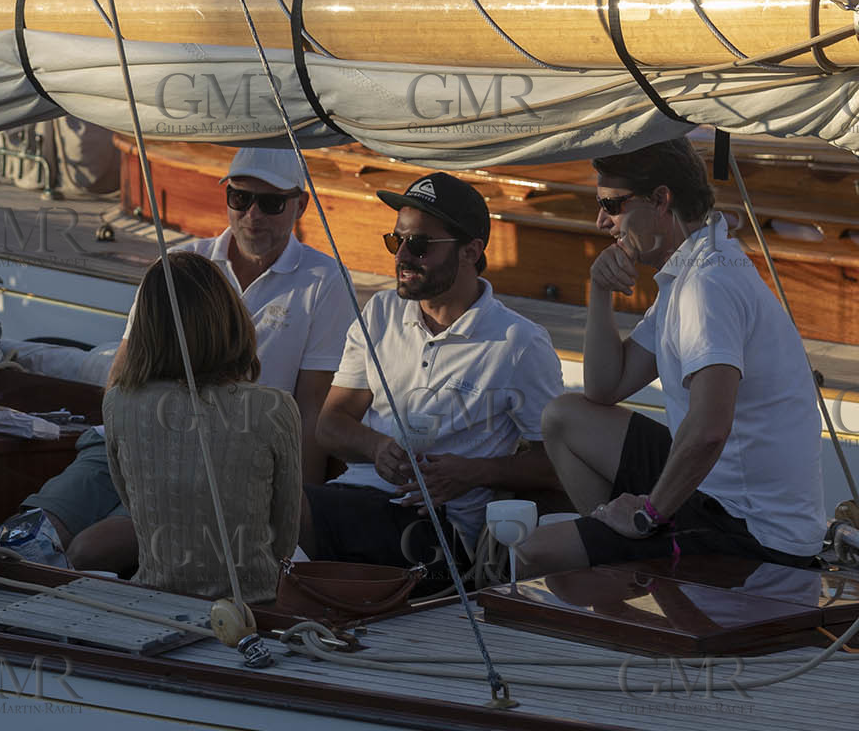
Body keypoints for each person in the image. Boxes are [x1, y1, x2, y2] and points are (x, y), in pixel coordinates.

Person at [15, 147, 356, 572]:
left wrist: (300, 517)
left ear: (300, 204)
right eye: (240, 198)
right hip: (128, 444)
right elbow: (122, 375)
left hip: (218, 463)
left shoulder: (324, 281)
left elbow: (311, 411)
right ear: (226, 196)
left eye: (270, 203)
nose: (253, 215)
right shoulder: (176, 264)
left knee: (89, 550)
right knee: (26, 536)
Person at [518, 139, 825, 574]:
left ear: (661, 200)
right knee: (565, 418)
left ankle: (631, 551)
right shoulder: (693, 270)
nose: (602, 219)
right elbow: (605, 388)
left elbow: (709, 431)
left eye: (612, 204)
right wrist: (599, 291)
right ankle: (621, 547)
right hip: (718, 491)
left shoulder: (707, 286)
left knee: (534, 551)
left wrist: (649, 514)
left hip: (754, 532)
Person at [308, 172, 563, 572]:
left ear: (470, 250)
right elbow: (330, 425)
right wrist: (376, 448)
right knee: (275, 508)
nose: (402, 256)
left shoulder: (520, 343)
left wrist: (475, 473)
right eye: (397, 240)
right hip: (354, 499)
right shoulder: (379, 313)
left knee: (289, 513)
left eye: (420, 244)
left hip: (438, 534)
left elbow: (557, 464)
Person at [105, 252, 301, 602]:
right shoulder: (274, 407)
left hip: (154, 597)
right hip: (252, 605)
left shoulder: (119, 403)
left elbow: (133, 505)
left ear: (145, 326)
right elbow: (285, 534)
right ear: (230, 319)